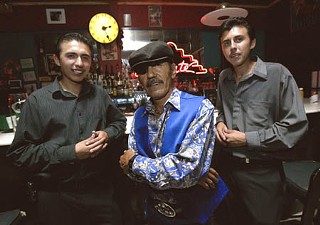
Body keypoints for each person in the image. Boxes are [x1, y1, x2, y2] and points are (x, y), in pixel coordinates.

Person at [6, 32, 126, 225]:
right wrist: (72, 153)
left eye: (85, 57)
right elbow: (19, 154)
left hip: (99, 191)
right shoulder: (38, 101)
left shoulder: (100, 95)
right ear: (56, 60)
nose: (79, 63)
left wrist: (107, 134)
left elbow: (119, 123)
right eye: (71, 56)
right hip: (56, 195)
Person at [119, 41, 228, 225]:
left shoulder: (200, 108)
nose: (151, 74)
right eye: (143, 70)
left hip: (193, 212)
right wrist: (185, 175)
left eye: (157, 65)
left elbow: (186, 170)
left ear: (173, 70)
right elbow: (131, 174)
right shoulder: (139, 115)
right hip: (153, 213)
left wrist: (135, 162)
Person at [213, 17, 308, 225]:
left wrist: (247, 139)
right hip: (228, 170)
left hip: (261, 172)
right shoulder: (224, 78)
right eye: (226, 43)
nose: (233, 48)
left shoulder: (277, 74)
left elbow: (294, 126)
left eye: (239, 40)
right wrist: (219, 122)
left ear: (253, 42)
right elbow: (219, 109)